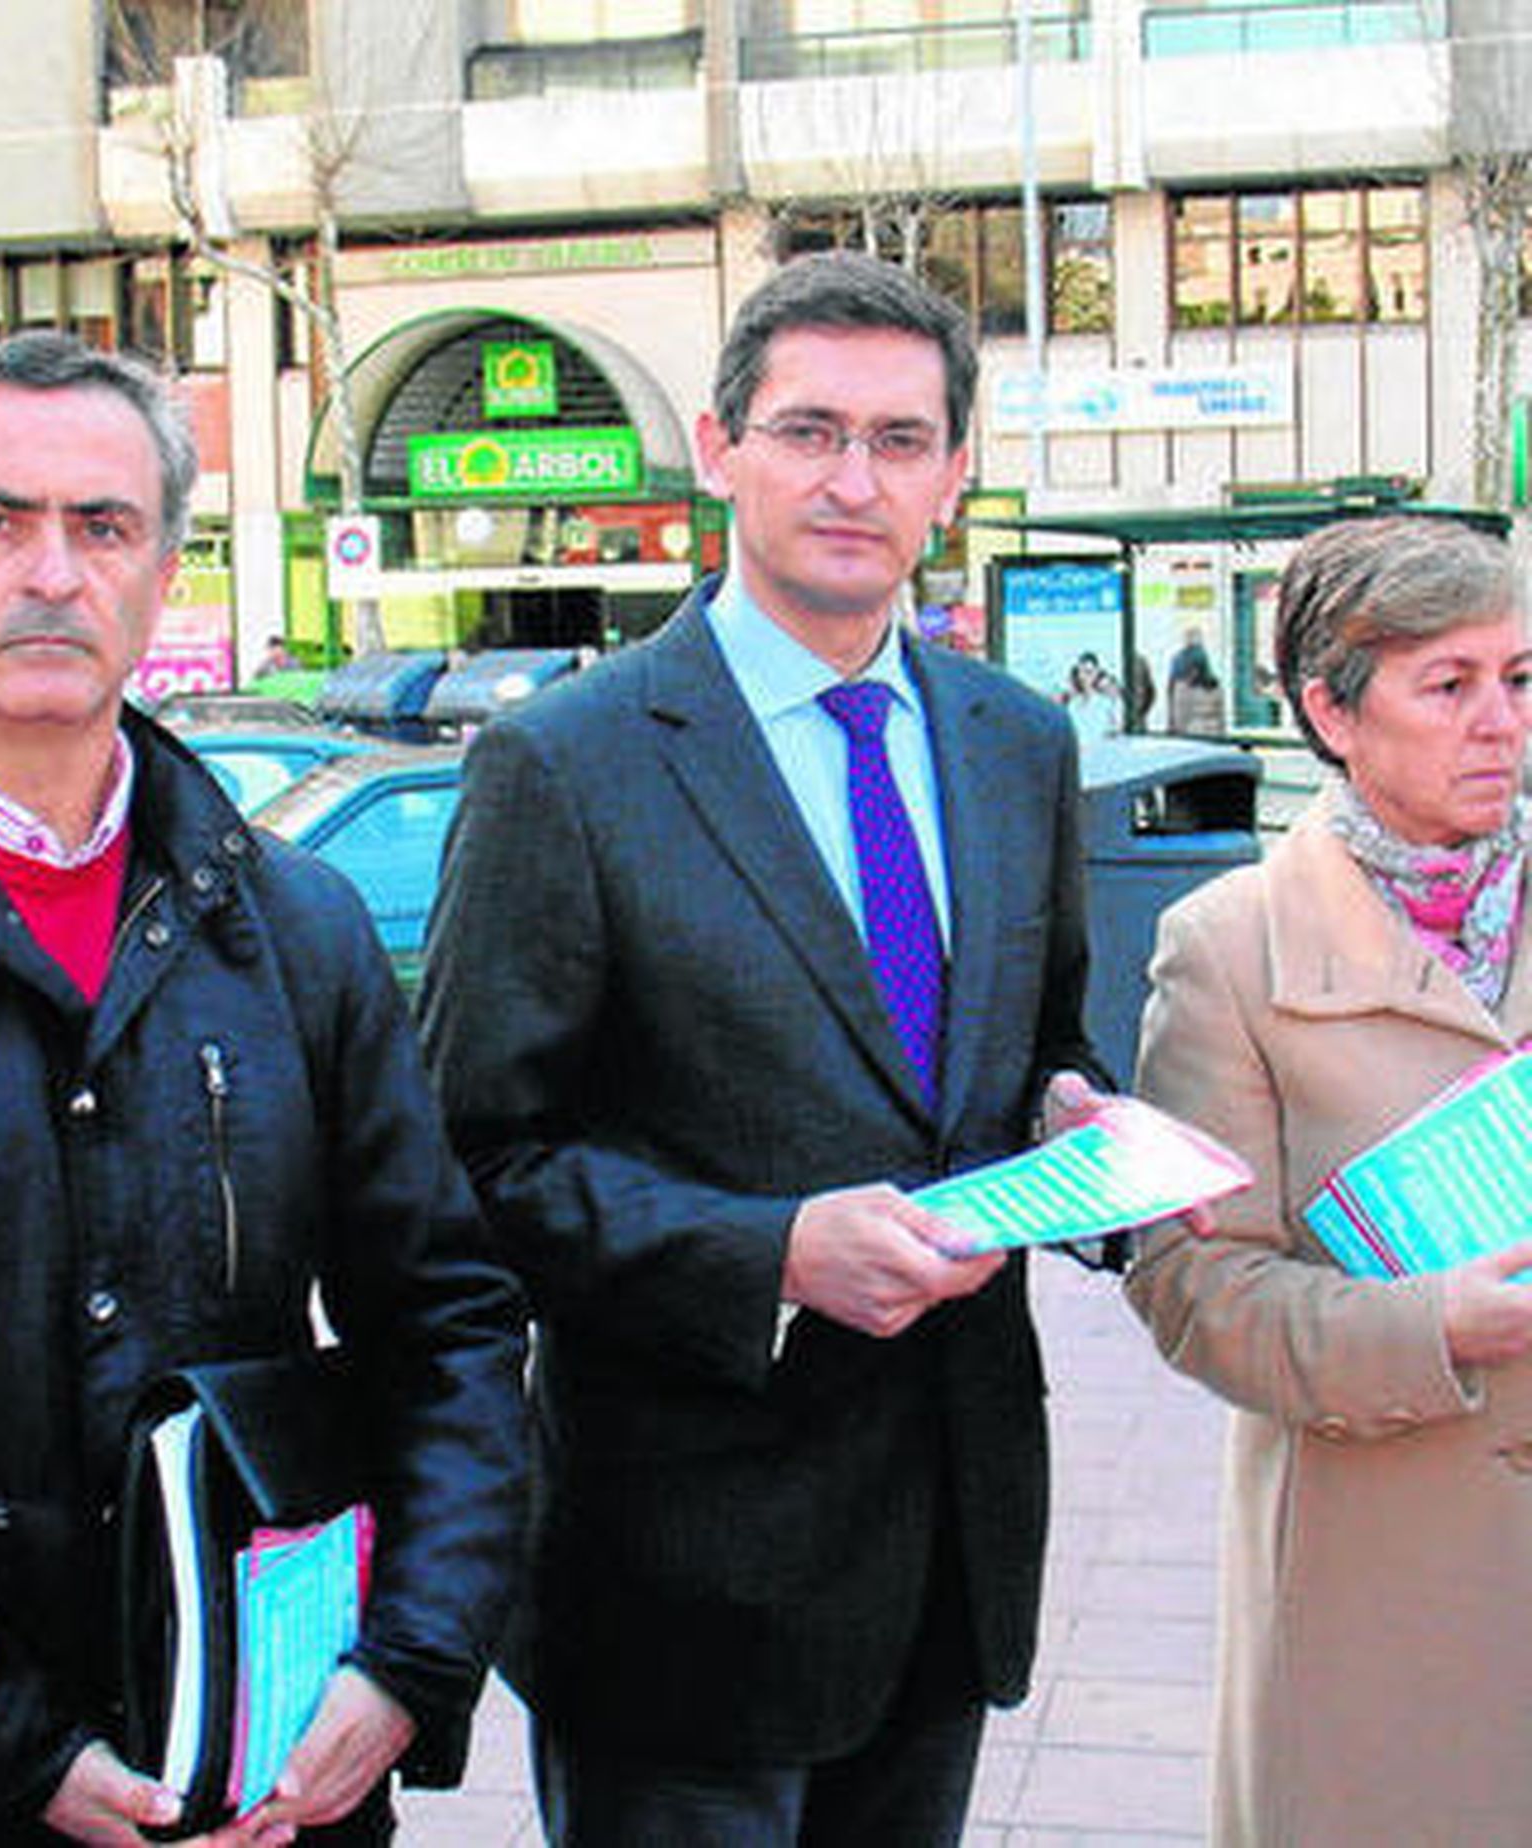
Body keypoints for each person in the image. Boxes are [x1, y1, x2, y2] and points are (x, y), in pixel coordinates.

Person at [418, 251, 1107, 1846]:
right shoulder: (564, 766)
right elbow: (473, 1167)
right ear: (721, 448)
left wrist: (1078, 1125)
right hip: (680, 1587)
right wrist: (767, 1254)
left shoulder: (1017, 743)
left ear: (954, 470)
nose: (852, 479)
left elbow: (1034, 1050)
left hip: (951, 1549)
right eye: (808, 431)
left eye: (899, 438)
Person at [0, 331, 528, 1846]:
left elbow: (447, 1317)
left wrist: (406, 1664)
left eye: (104, 526)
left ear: (164, 567)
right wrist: (6, 1748)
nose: (53, 572)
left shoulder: (293, 923)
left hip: (270, 1777)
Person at [1126, 515, 1532, 1847]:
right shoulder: (1231, 949)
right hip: (1377, 1585)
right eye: (1449, 684)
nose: (1499, 724)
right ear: (1330, 712)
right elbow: (1192, 1285)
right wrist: (1433, 1329)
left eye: (1519, 680)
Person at [1166, 626, 1223, 734]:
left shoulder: (1179, 684)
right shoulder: (1215, 687)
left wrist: (1172, 724)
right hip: (1208, 735)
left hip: (1189, 733)